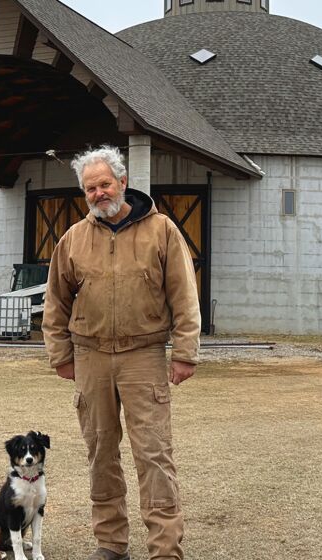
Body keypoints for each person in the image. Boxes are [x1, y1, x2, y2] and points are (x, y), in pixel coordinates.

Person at [42, 145, 200, 560]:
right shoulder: (73, 239)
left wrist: (185, 352)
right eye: (90, 188)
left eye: (105, 184)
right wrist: (61, 354)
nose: (98, 193)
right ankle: (110, 543)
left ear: (124, 183)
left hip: (143, 355)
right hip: (90, 357)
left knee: (153, 454)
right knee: (100, 452)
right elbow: (55, 301)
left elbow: (184, 296)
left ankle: (165, 549)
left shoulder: (162, 230)